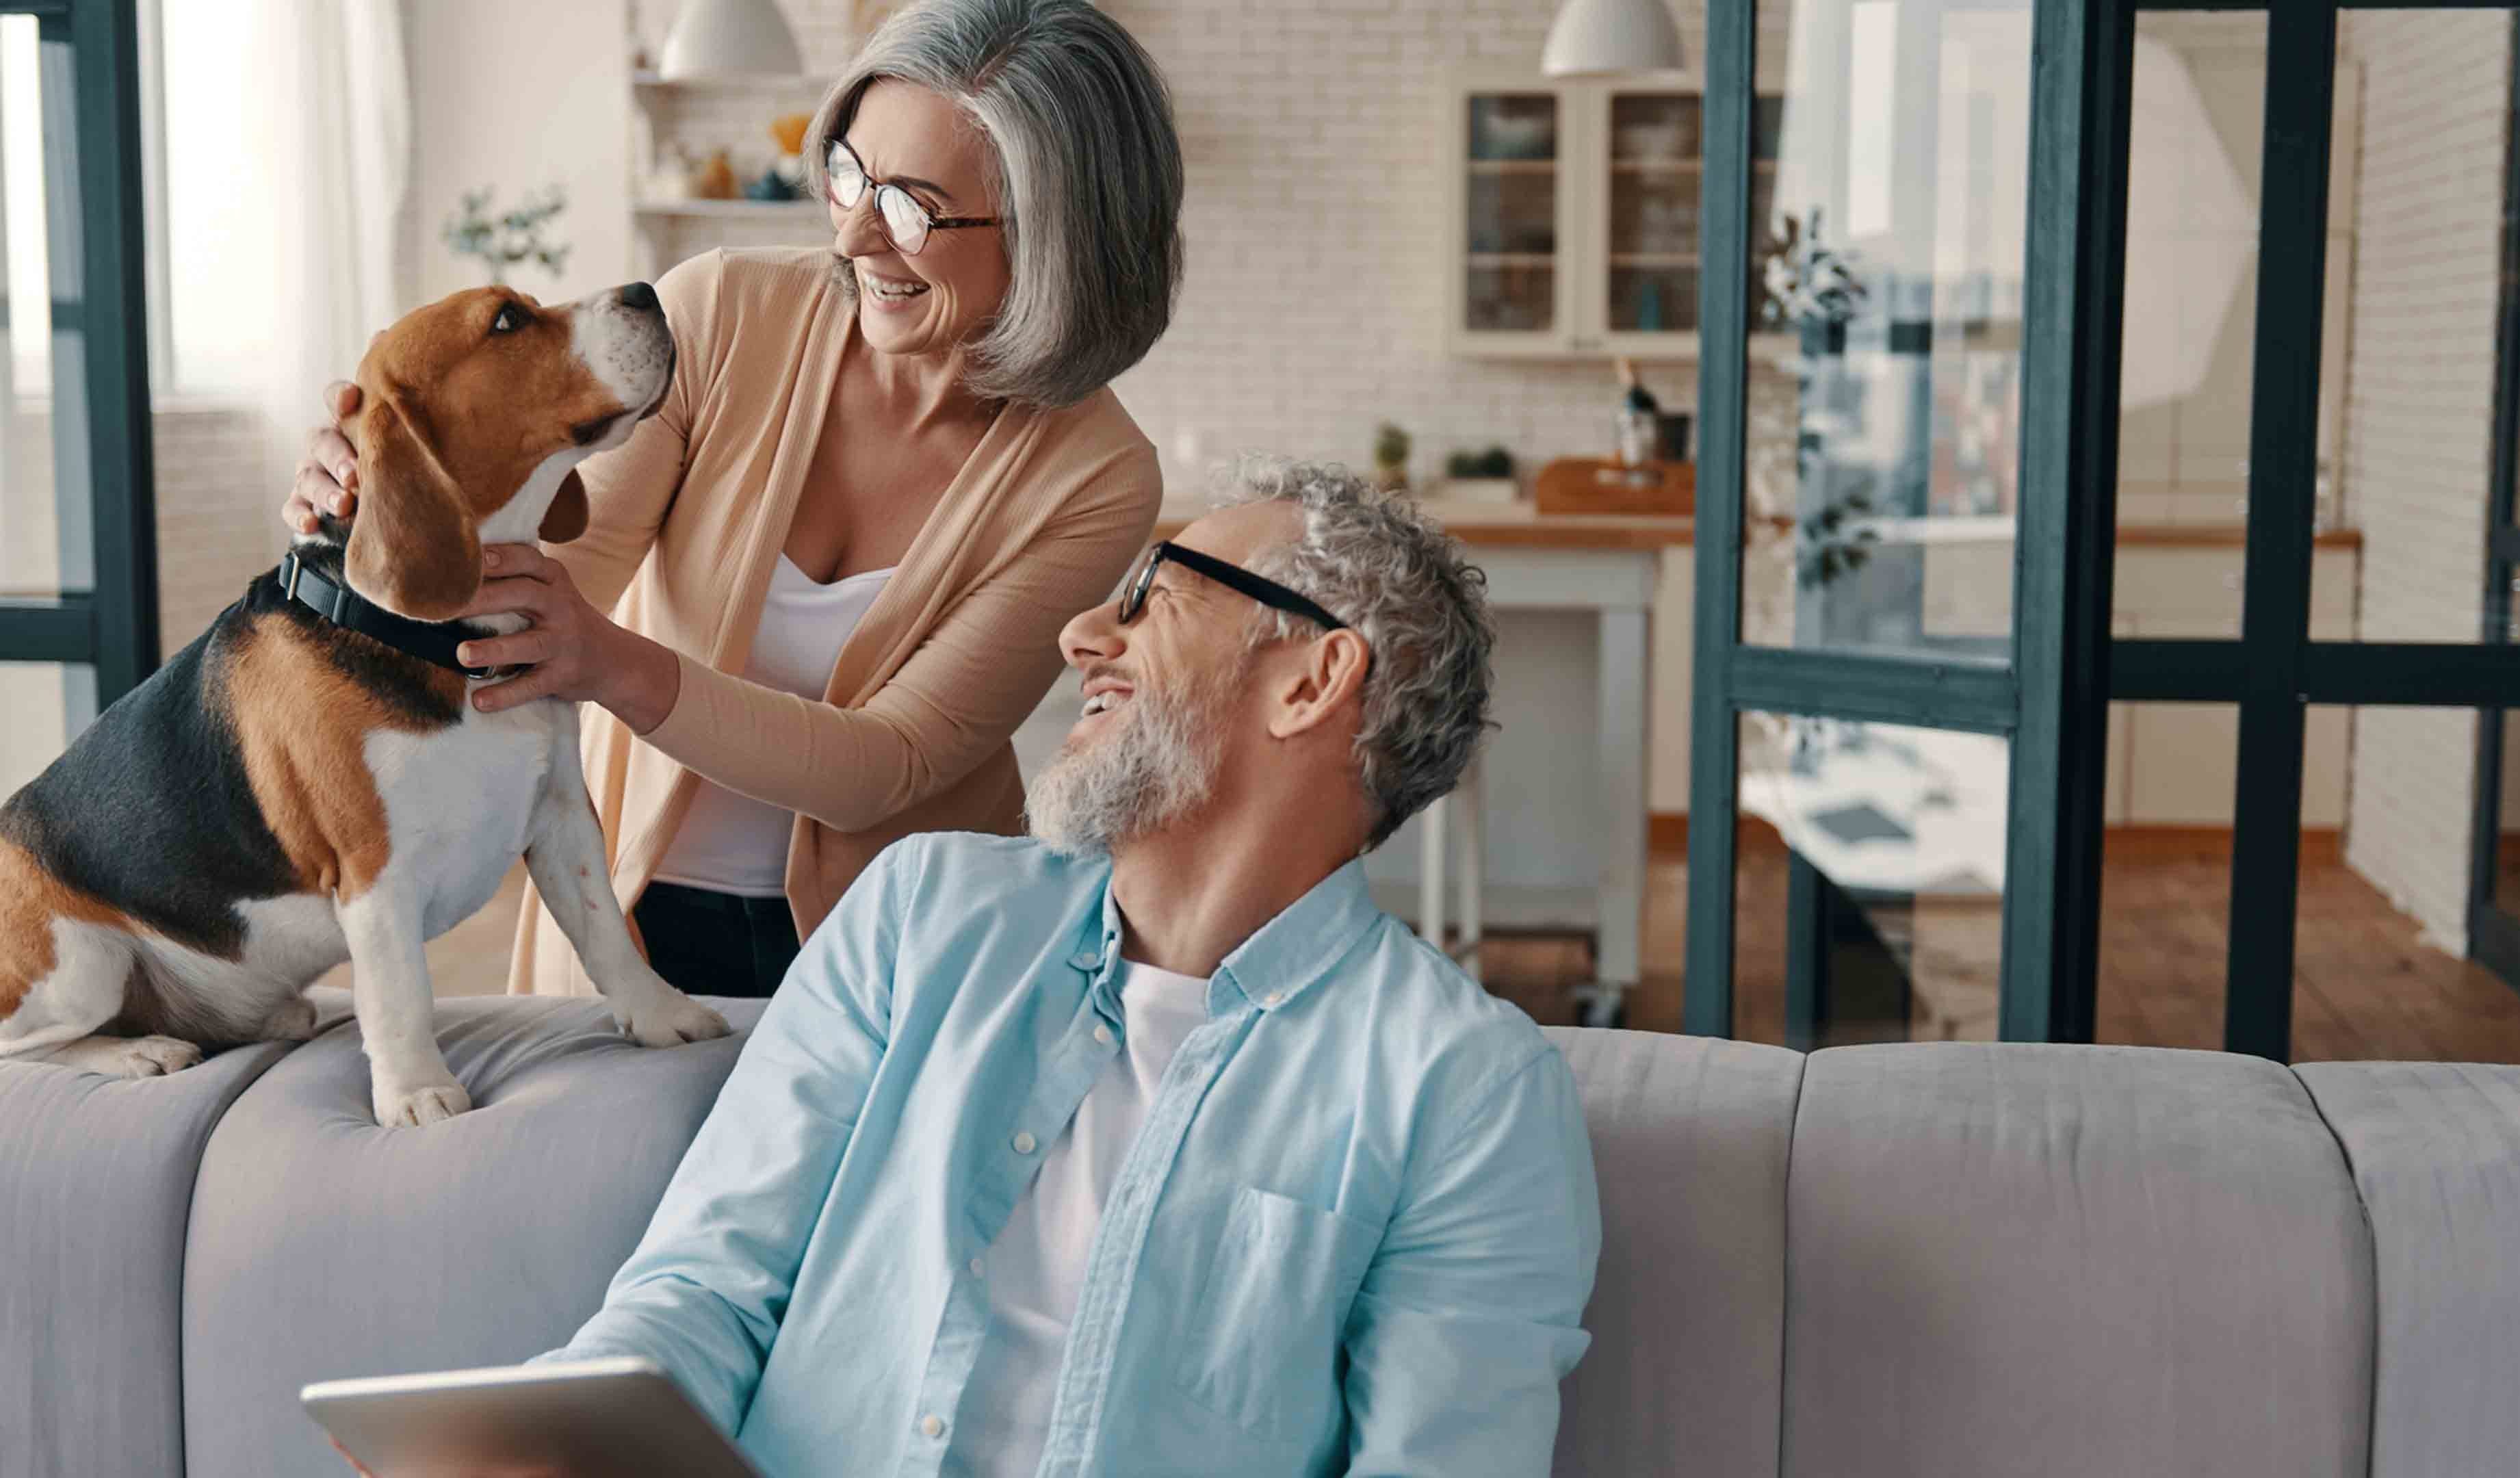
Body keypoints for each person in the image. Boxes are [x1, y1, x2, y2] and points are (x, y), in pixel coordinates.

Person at [518, 462, 1603, 1477]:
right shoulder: (918, 917)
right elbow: (708, 1287)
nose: (1083, 634)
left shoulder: (1467, 1087)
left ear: (1314, 680)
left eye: (1152, 601)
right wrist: (549, 1437)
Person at [285, 0, 1183, 998]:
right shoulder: (718, 312)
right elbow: (538, 585)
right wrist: (385, 494)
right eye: (849, 173)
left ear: (1055, 233)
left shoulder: (1098, 477)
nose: (852, 237)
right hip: (626, 909)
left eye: (911, 206)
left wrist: (612, 663)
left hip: (900, 954)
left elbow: (891, 763)